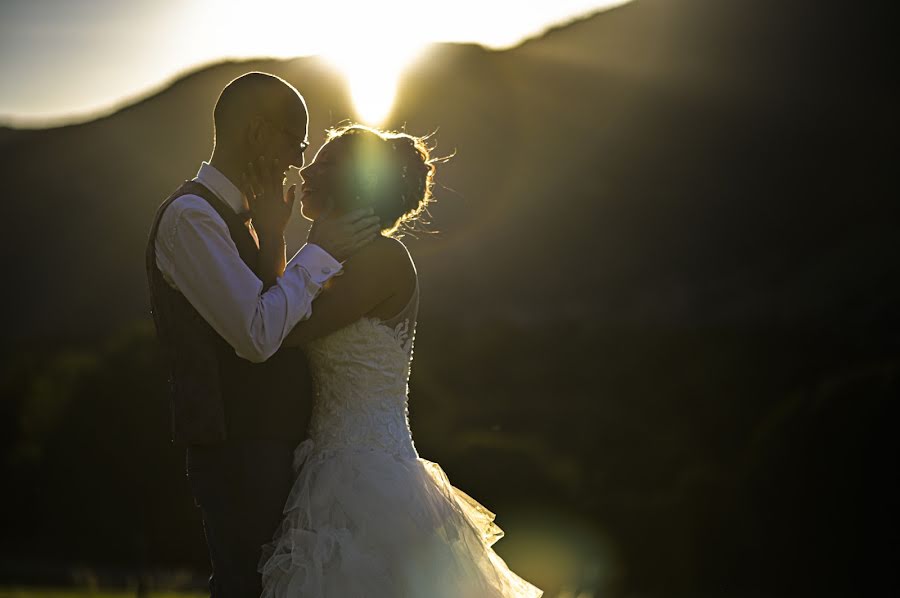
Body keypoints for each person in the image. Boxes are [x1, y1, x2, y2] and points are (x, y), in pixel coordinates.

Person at [250, 124, 543, 597]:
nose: (304, 171)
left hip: (368, 477)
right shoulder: (339, 258)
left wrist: (283, 238)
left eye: (322, 164)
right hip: (328, 461)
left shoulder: (383, 259)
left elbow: (284, 330)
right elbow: (277, 307)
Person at [145, 72, 380, 598]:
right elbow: (256, 333)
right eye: (296, 143)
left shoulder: (244, 217)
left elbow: (268, 301)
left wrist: (274, 237)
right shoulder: (191, 219)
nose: (298, 161)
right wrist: (319, 252)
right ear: (258, 133)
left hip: (267, 446)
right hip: (237, 450)